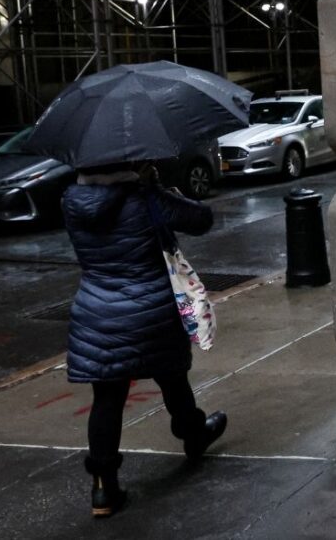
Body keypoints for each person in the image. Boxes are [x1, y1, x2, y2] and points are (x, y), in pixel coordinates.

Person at [62, 161, 226, 518]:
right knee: (172, 377)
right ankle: (193, 434)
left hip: (98, 312)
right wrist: (156, 188)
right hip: (152, 310)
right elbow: (201, 219)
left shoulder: (73, 201)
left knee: (107, 396)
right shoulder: (146, 198)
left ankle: (103, 488)